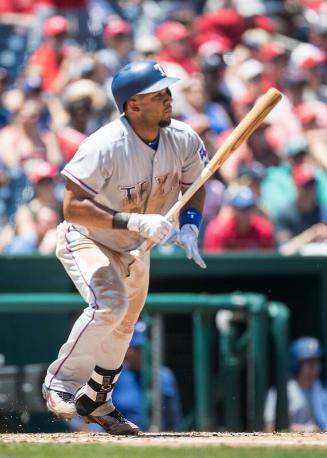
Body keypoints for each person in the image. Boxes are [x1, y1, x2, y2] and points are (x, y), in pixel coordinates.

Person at [41, 60, 207, 435]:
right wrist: (132, 220)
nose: (169, 98)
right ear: (134, 105)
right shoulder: (104, 144)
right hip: (88, 236)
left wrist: (191, 227)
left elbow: (196, 185)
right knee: (110, 304)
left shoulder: (183, 137)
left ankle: (97, 399)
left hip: (137, 245)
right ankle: (60, 382)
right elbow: (72, 206)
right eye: (159, 93)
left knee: (126, 323)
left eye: (168, 91)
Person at [264, 337, 327, 431]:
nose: (314, 366)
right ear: (296, 364)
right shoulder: (283, 391)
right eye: (309, 362)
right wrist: (304, 429)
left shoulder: (322, 391)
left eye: (317, 362)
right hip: (287, 443)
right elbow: (269, 425)